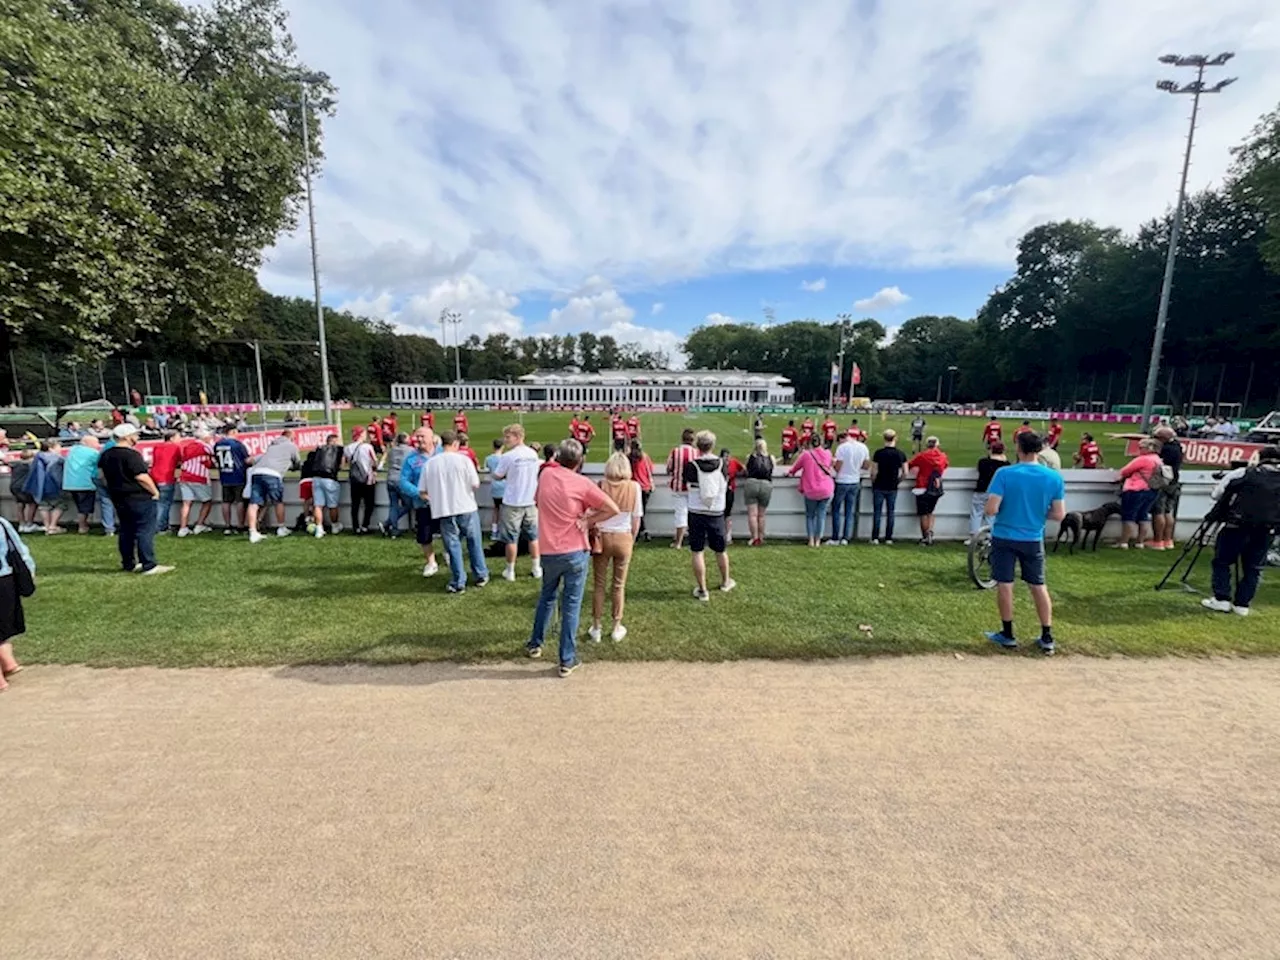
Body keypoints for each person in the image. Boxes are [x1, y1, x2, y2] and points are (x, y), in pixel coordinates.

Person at [524, 439, 618, 676]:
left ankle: (536, 643)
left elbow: (537, 500)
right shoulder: (582, 483)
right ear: (579, 461)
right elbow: (612, 508)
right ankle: (566, 658)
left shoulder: (545, 476)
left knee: (547, 596)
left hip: (548, 548)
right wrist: (588, 520)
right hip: (574, 549)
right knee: (571, 604)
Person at [982, 431, 1066, 655]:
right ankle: (1046, 635)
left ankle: (1008, 633)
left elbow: (992, 508)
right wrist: (1037, 514)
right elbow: (1059, 514)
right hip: (1032, 537)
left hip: (1005, 535)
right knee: (1038, 585)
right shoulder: (1053, 477)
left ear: (1018, 448)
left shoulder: (1005, 474)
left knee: (1005, 583)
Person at [1202, 446, 1280, 617]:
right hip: (1267, 529)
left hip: (1237, 525)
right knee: (1254, 567)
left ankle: (1221, 599)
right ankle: (1242, 604)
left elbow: (1218, 494)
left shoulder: (1243, 473)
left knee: (1222, 561)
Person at [99, 424, 172, 576]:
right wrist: (154, 491)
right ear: (127, 437)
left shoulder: (106, 454)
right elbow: (141, 476)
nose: (137, 437)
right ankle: (148, 564)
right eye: (135, 434)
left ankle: (128, 563)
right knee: (145, 530)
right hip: (138, 497)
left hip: (119, 496)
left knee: (126, 530)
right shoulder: (131, 455)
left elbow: (102, 476)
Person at [421, 430, 489, 593]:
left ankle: (458, 581)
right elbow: (475, 484)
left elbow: (423, 491)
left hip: (444, 508)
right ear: (456, 444)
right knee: (474, 542)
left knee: (453, 546)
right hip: (465, 506)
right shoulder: (464, 460)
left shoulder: (430, 463)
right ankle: (480, 574)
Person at [589, 453, 641, 644]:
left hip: (602, 537)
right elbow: (637, 518)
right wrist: (631, 540)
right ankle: (616, 626)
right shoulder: (634, 487)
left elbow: (592, 512)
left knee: (599, 584)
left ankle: (596, 627)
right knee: (619, 585)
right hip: (623, 536)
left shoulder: (601, 485)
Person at [683, 431, 736, 600]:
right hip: (716, 512)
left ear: (697, 446)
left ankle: (702, 589)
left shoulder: (691, 465)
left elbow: (687, 484)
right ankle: (725, 581)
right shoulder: (722, 464)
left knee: (697, 551)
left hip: (696, 511)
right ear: (712, 445)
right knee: (721, 550)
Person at [493, 423, 543, 581]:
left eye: (508, 437)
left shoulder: (508, 456)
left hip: (513, 501)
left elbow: (497, 475)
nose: (505, 440)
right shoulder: (533, 454)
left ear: (518, 437)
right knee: (533, 537)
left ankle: (510, 570)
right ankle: (536, 568)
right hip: (530, 500)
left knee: (511, 538)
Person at [398, 428, 441, 577]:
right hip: (423, 504)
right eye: (417, 437)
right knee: (425, 534)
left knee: (450, 530)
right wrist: (418, 493)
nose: (419, 440)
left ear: (432, 437)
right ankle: (431, 562)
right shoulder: (411, 459)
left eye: (422, 437)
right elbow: (403, 481)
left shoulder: (443, 453)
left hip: (444, 502)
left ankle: (450, 554)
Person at [0, 512, 35, 692]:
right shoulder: (2, 523)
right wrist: (30, 571)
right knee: (4, 625)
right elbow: (20, 549)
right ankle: (9, 663)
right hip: (6, 581)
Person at [246, 430, 300, 543]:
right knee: (277, 501)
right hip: (273, 474)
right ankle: (281, 527)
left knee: (254, 503)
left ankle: (252, 531)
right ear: (291, 438)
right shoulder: (291, 446)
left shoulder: (272, 446)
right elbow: (297, 462)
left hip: (257, 473)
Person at [787, 434, 835, 548]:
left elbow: (794, 468)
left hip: (811, 490)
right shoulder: (828, 454)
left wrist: (790, 473)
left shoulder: (806, 455)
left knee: (810, 516)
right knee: (821, 516)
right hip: (826, 489)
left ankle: (811, 540)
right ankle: (818, 540)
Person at [1116, 438, 1162, 549]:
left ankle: (1124, 542)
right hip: (1151, 490)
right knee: (1143, 516)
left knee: (1128, 516)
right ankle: (1139, 542)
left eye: (1141, 447)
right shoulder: (1158, 459)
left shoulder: (1143, 459)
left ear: (1148, 448)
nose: (1139, 449)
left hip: (1136, 489)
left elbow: (1125, 471)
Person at [829, 428, 869, 545]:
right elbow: (866, 465)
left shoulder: (842, 448)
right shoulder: (863, 447)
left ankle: (835, 537)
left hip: (842, 480)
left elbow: (838, 467)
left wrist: (834, 464)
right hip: (855, 480)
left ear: (841, 439)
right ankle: (846, 537)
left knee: (836, 509)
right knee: (849, 511)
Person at [907, 436, 949, 546]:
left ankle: (925, 537)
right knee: (930, 512)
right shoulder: (942, 456)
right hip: (935, 487)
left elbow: (910, 464)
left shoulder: (922, 456)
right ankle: (930, 532)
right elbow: (945, 466)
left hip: (922, 486)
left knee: (923, 514)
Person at [869, 429, 907, 544]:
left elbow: (874, 471)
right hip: (892, 486)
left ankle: (875, 537)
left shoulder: (879, 453)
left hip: (879, 485)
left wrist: (874, 481)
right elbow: (905, 472)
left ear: (884, 438)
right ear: (895, 438)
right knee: (891, 512)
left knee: (877, 512)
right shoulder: (900, 454)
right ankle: (888, 537)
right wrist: (898, 481)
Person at [176, 430, 215, 537]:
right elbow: (214, 453)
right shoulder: (205, 446)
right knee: (207, 501)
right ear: (205, 438)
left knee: (186, 503)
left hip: (184, 476)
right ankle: (199, 524)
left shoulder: (188, 446)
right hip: (199, 477)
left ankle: (183, 528)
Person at [213, 426, 251, 535]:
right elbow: (246, 459)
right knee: (240, 501)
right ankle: (240, 525)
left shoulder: (218, 444)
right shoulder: (237, 445)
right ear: (233, 432)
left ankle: (227, 525)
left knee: (226, 502)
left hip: (224, 475)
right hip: (238, 475)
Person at [25, 439, 67, 535]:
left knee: (44, 506)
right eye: (58, 446)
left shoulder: (37, 457)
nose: (60, 448)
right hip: (53, 485)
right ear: (51, 448)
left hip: (39, 486)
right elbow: (56, 474)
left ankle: (47, 526)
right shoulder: (57, 458)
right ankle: (53, 526)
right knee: (60, 505)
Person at [1151, 425, 1183, 551]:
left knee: (1158, 512)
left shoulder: (1165, 450)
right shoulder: (1177, 446)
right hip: (1174, 481)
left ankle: (1158, 541)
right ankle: (1168, 540)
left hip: (1163, 482)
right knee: (1169, 512)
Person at [969, 442, 1009, 543]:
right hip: (996, 493)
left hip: (982, 490)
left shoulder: (983, 462)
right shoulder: (1005, 465)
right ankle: (990, 536)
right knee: (991, 515)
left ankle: (974, 536)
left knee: (976, 514)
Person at [665, 428, 697, 549]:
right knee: (692, 513)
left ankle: (678, 541)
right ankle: (689, 538)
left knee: (680, 514)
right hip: (693, 488)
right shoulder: (696, 453)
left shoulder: (675, 451)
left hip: (678, 487)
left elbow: (668, 468)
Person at [345, 426, 379, 535]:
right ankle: (365, 525)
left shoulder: (348, 448)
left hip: (355, 479)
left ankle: (356, 527)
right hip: (367, 479)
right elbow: (374, 461)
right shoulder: (367, 447)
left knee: (355, 504)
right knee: (369, 504)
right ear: (360, 435)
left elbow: (346, 463)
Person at [742, 438, 775, 546]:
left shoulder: (750, 457)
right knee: (761, 515)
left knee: (752, 514)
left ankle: (754, 537)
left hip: (751, 483)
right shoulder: (771, 458)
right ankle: (761, 537)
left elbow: (746, 469)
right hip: (766, 485)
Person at [310, 434, 344, 535]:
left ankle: (319, 528)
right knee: (332, 505)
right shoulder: (338, 449)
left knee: (318, 505)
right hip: (330, 478)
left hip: (316, 478)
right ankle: (334, 526)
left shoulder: (319, 449)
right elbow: (342, 465)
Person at [382, 432, 414, 538]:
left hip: (391, 478)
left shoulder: (392, 450)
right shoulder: (410, 451)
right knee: (409, 504)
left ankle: (393, 528)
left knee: (393, 505)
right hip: (402, 480)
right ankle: (388, 523)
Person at [628, 440, 655, 542]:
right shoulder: (645, 457)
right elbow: (650, 470)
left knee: (637, 512)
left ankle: (641, 531)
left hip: (634, 487)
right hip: (645, 487)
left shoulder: (629, 457)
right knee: (641, 511)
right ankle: (643, 531)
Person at [9, 450, 39, 533]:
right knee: (32, 504)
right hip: (25, 487)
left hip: (14, 487)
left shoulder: (16, 465)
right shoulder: (30, 465)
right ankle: (30, 524)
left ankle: (21, 525)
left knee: (20, 505)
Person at [721, 447, 745, 544]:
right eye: (725, 456)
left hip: (729, 491)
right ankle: (721, 534)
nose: (727, 458)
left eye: (728, 456)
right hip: (720, 492)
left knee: (727, 513)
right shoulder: (719, 464)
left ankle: (728, 536)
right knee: (720, 513)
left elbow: (743, 469)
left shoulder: (733, 462)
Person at [484, 438, 505, 539]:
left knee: (496, 509)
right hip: (505, 487)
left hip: (495, 486)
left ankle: (494, 531)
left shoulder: (488, 459)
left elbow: (486, 470)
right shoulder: (505, 458)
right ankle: (502, 531)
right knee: (505, 511)